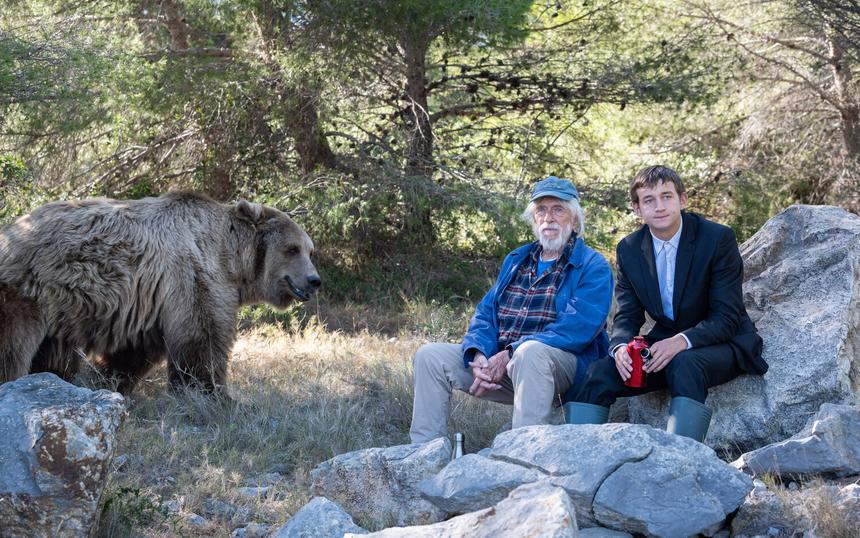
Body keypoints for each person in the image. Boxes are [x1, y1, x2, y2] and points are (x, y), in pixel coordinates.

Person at [564, 165, 768, 442]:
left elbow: (727, 316)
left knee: (685, 363)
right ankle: (576, 457)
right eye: (649, 200)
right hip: (664, 348)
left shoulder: (717, 239)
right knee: (598, 372)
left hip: (724, 343)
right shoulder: (629, 249)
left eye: (667, 196)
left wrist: (681, 341)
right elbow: (627, 315)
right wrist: (621, 347)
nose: (659, 206)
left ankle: (681, 461)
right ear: (637, 209)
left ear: (682, 200)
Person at [409, 176, 613, 444]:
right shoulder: (517, 260)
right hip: (506, 365)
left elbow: (577, 329)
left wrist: (511, 352)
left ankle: (521, 456)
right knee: (430, 356)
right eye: (541, 209)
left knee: (531, 353)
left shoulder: (592, 265)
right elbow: (486, 313)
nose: (548, 217)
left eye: (558, 209)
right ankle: (423, 455)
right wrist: (479, 353)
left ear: (574, 221)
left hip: (562, 370)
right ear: (533, 218)